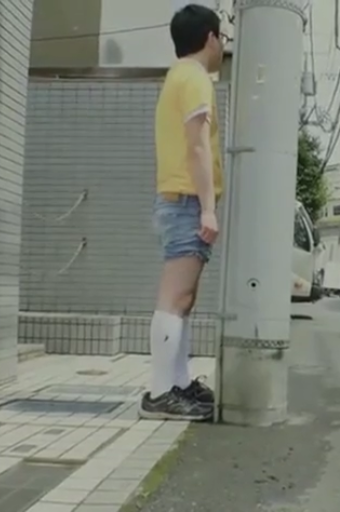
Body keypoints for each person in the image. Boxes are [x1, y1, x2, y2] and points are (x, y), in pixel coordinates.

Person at [140, 4, 226, 421]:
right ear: (210, 37)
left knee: (183, 299)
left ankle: (177, 383)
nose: (223, 45)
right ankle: (161, 393)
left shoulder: (181, 76)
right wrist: (208, 209)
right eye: (222, 37)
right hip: (186, 200)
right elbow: (197, 146)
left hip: (180, 199)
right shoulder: (194, 78)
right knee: (174, 298)